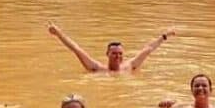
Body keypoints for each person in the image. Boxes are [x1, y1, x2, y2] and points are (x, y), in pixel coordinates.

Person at [48, 22, 177, 73]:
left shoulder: (130, 66)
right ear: (107, 54)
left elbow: (148, 49)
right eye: (114, 53)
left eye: (120, 54)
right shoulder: (97, 68)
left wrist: (165, 35)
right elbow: (76, 48)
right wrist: (58, 33)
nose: (118, 56)